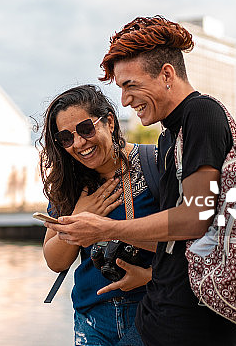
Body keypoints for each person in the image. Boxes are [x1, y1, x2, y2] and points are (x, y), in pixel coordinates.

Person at [45, 16, 236, 346]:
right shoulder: (171, 137)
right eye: (65, 138)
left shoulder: (200, 116)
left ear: (166, 74)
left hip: (189, 324)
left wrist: (104, 230)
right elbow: (183, 242)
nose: (125, 99)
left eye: (130, 85)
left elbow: (197, 221)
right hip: (150, 319)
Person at [39, 85, 159, 346]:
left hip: (152, 309)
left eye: (86, 129)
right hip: (91, 319)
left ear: (110, 122)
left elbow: (191, 241)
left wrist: (150, 275)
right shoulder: (68, 183)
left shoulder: (155, 165)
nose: (79, 143)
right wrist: (80, 215)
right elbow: (55, 261)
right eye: (66, 138)